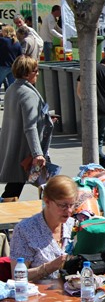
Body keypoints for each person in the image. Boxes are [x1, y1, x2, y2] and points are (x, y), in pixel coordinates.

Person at [0, 55, 51, 200]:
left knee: (17, 185)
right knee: (23, 184)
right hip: (26, 149)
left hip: (15, 145)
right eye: (36, 71)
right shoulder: (28, 93)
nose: (38, 74)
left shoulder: (12, 88)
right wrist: (37, 153)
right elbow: (30, 126)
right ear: (27, 73)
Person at [9, 175, 76, 280]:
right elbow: (18, 276)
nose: (69, 211)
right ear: (47, 201)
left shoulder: (74, 225)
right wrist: (50, 267)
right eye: (63, 205)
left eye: (72, 205)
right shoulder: (25, 230)